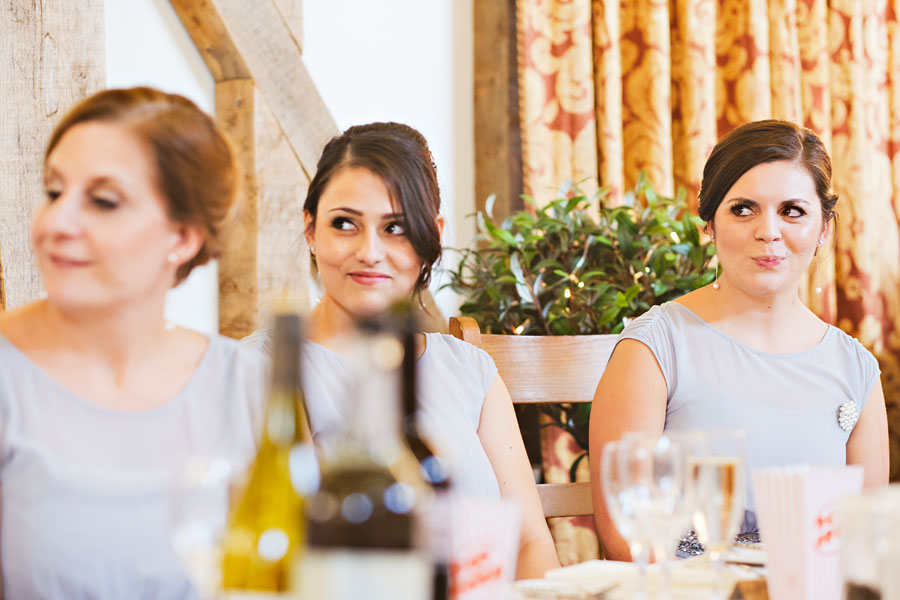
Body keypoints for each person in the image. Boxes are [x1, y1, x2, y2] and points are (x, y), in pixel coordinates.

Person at [246, 122, 560, 578]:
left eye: (395, 227)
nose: (370, 252)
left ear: (431, 235)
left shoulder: (469, 368)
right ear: (310, 230)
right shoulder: (261, 371)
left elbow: (530, 543)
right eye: (345, 224)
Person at [0, 87, 265, 598]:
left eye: (103, 201)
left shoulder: (243, 385)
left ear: (182, 237)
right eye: (54, 192)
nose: (56, 222)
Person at [589, 120, 890, 561]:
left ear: (824, 227)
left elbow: (864, 543)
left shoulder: (856, 369)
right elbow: (625, 533)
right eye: (743, 208)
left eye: (792, 210)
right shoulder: (654, 348)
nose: (768, 231)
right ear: (708, 224)